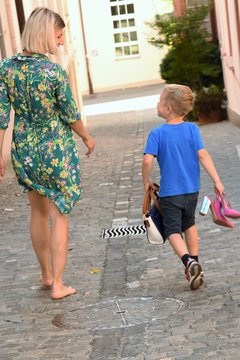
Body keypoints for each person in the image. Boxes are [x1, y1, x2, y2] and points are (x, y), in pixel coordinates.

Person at [0, 7, 95, 300]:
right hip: (55, 149)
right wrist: (86, 137)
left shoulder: (6, 68)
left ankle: (45, 275)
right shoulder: (52, 70)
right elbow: (69, 112)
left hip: (25, 149)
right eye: (58, 36)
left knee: (38, 214)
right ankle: (58, 285)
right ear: (45, 35)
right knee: (59, 215)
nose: (62, 42)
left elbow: (2, 116)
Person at [142, 84, 224, 290]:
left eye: (160, 101)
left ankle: (188, 261)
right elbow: (203, 155)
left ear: (168, 108)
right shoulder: (192, 129)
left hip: (170, 192)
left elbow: (147, 161)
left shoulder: (157, 133)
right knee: (189, 224)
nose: (156, 103)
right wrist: (217, 180)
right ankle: (195, 263)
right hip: (191, 190)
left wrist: (146, 182)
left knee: (172, 231)